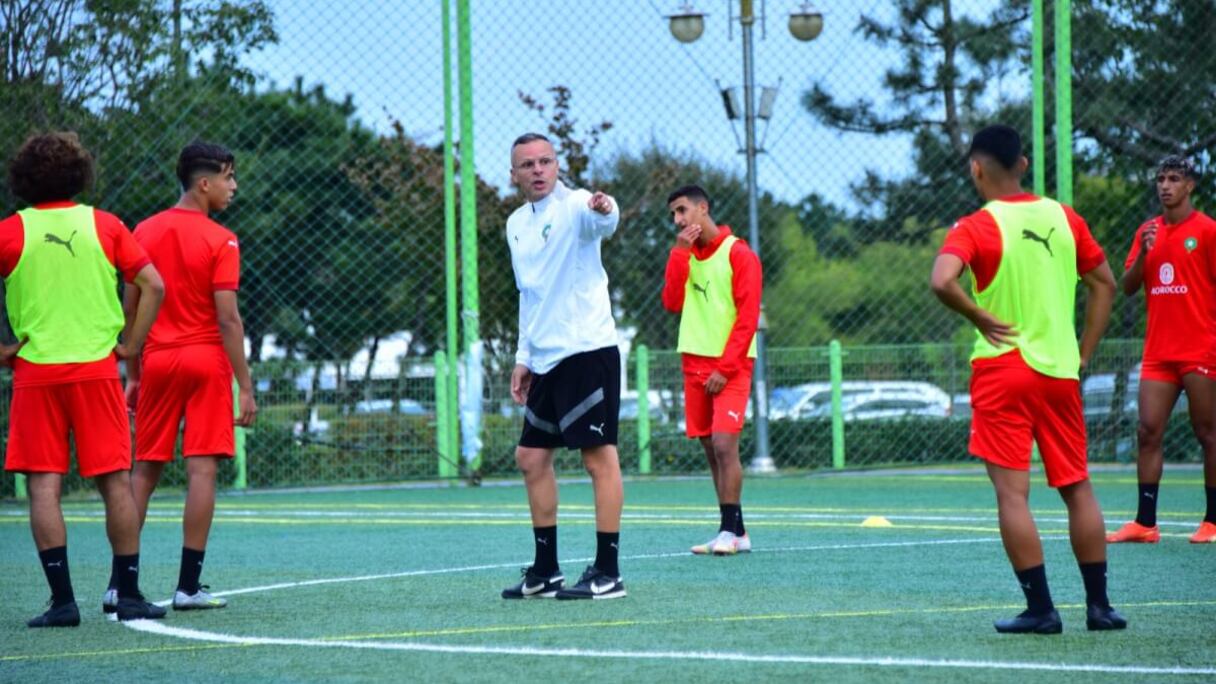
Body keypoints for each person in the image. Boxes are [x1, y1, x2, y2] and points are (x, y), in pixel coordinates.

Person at [930, 124, 1126, 634]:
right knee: (1078, 486)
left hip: (1002, 370)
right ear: (1022, 163)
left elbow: (941, 280)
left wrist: (978, 316)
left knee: (1013, 495)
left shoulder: (975, 225)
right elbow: (1104, 283)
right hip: (1060, 374)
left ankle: (1041, 610)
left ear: (976, 168)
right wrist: (1081, 353)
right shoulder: (1065, 217)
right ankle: (1100, 607)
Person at [1, 131, 166, 626]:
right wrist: (132, 345)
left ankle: (62, 602)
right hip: (96, 370)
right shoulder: (106, 225)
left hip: (36, 372)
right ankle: (129, 593)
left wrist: (3, 349)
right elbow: (152, 284)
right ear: (80, 176)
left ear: (23, 180)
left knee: (43, 487)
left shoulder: (9, 232)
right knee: (115, 481)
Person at [103, 141, 257, 613]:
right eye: (229, 177)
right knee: (201, 469)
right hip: (205, 362)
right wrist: (245, 386)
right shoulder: (222, 239)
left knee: (144, 469)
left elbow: (130, 307)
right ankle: (188, 586)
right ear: (204, 182)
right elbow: (228, 319)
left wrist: (134, 372)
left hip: (158, 361)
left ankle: (118, 584)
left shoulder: (143, 230)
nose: (233, 187)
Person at [500, 133, 625, 600]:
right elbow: (528, 297)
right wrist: (523, 358)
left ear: (557, 166)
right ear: (513, 174)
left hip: (587, 351)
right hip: (546, 358)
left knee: (599, 458)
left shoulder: (576, 206)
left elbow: (605, 220)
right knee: (530, 458)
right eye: (527, 164)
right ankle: (546, 570)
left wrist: (603, 205)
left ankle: (609, 572)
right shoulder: (516, 224)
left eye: (545, 161)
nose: (537, 170)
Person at [1107, 156, 1216, 545]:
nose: (1165, 186)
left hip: (1201, 350)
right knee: (1147, 431)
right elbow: (1128, 285)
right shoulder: (1147, 231)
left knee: (1208, 433)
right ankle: (1145, 523)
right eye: (1160, 179)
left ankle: (1212, 521)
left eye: (1174, 179)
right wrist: (1147, 253)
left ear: (1190, 186)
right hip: (1158, 354)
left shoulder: (1206, 231)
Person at [661, 185, 761, 555]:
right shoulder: (685, 254)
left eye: (683, 210)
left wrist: (727, 366)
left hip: (730, 365)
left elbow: (747, 317)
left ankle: (726, 531)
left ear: (703, 208)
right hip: (694, 363)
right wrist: (679, 254)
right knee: (709, 448)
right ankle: (737, 532)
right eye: (674, 214)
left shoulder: (740, 254)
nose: (679, 220)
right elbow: (671, 302)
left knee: (724, 444)